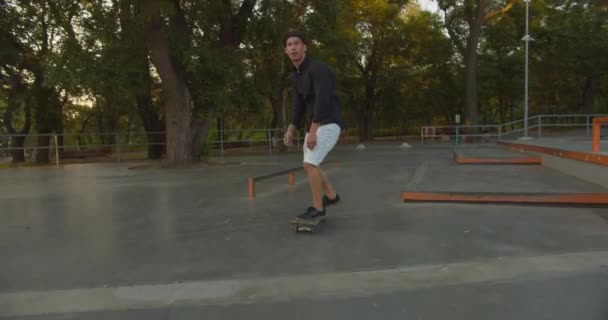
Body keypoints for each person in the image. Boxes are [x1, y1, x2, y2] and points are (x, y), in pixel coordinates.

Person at [281, 30, 343, 221]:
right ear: (286, 50)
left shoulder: (318, 69)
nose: (293, 47)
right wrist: (291, 128)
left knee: (310, 163)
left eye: (297, 43)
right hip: (316, 124)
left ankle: (318, 207)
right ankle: (331, 196)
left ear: (305, 47)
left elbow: (323, 100)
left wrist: (314, 129)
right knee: (310, 164)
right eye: (289, 44)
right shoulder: (296, 75)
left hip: (329, 122)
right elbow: (299, 104)